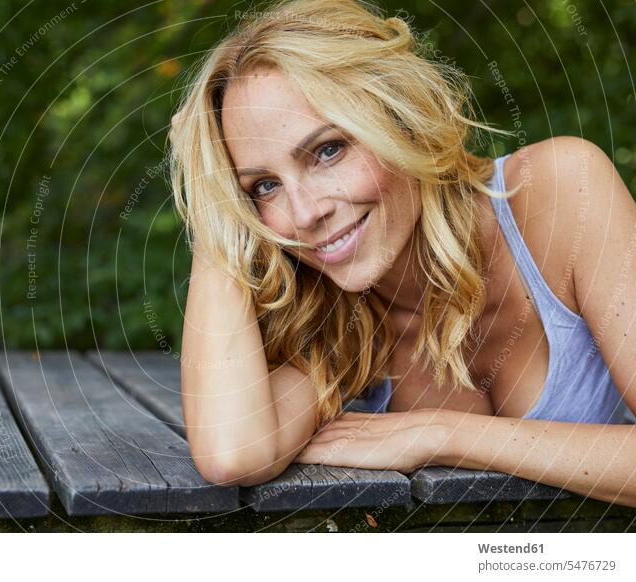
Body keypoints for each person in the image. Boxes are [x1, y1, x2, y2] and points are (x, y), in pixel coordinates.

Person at [167, 0, 636, 508]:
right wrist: (211, 202)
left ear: (401, 119)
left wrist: (443, 435)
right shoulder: (330, 326)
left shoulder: (561, 194)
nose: (304, 214)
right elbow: (233, 453)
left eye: (328, 150)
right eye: (263, 186)